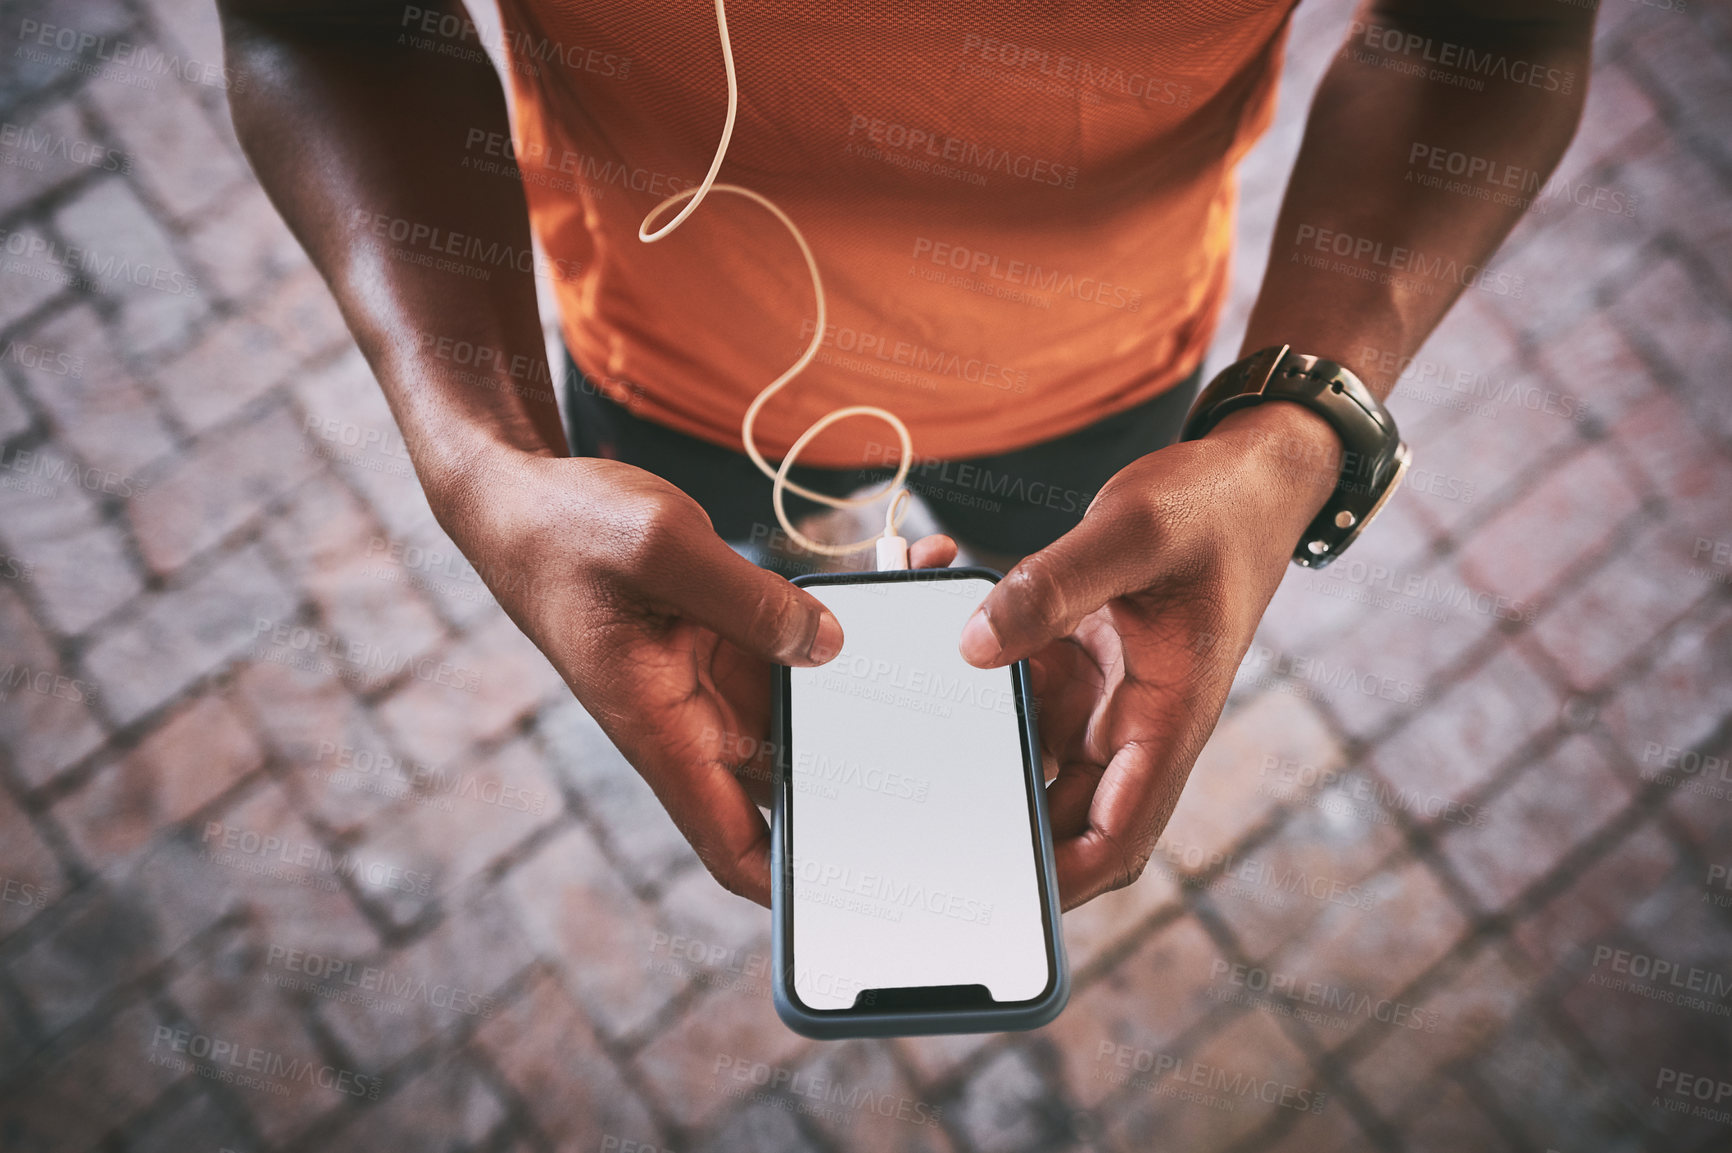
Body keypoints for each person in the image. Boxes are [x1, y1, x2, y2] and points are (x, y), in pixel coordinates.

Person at [214, 0, 1593, 908]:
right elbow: (327, 23)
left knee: (1009, 624)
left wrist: (1292, 433)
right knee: (774, 602)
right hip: (668, 379)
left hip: (1111, 394)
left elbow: (1486, 32)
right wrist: (481, 458)